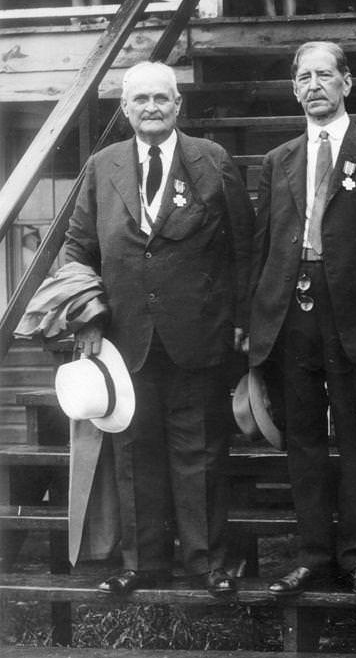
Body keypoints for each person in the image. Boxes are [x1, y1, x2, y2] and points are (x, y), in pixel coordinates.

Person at [65, 61, 253, 597]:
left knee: (200, 453)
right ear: (125, 110)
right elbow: (79, 248)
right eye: (140, 99)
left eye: (161, 99)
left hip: (199, 332)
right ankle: (143, 563)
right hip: (125, 339)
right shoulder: (103, 166)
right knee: (134, 451)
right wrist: (91, 315)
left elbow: (243, 246)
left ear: (178, 107)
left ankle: (206, 562)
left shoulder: (211, 160)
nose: (151, 107)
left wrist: (239, 320)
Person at [247, 41, 356, 598]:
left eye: (324, 76)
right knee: (304, 439)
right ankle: (314, 554)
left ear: (347, 83)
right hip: (292, 313)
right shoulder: (278, 159)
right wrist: (256, 318)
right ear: (294, 89)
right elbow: (262, 245)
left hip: (354, 313)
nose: (314, 86)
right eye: (304, 78)